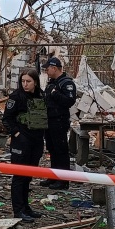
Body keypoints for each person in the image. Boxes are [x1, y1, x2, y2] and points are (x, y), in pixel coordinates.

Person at [2, 67, 47, 222]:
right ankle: (18, 210)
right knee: (19, 176)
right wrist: (17, 135)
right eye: (23, 81)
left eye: (28, 81)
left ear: (35, 82)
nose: (25, 84)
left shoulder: (40, 95)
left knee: (28, 176)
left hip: (36, 140)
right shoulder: (16, 96)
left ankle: (26, 207)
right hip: (21, 141)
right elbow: (7, 119)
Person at [43, 56, 78, 189]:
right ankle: (53, 177)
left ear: (54, 68)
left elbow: (69, 101)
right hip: (49, 121)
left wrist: (55, 94)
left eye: (48, 68)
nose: (46, 70)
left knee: (61, 151)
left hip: (59, 121)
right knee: (52, 149)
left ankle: (63, 180)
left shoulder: (66, 83)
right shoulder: (52, 83)